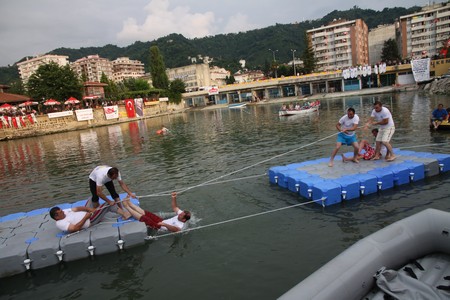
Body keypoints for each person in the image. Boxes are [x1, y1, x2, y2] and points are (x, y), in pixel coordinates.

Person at [122, 192, 191, 232]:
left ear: (184, 219)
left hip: (159, 227)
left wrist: (165, 225)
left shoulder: (180, 225)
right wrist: (174, 198)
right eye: (180, 213)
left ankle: (126, 206)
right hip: (161, 221)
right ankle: (130, 203)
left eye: (181, 215)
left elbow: (176, 230)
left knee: (145, 218)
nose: (179, 214)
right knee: (147, 213)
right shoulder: (182, 214)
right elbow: (175, 207)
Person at [49, 201, 114, 233]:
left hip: (87, 214)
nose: (63, 212)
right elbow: (75, 228)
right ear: (56, 217)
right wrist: (86, 217)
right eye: (61, 212)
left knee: (92, 198)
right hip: (90, 220)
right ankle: (123, 213)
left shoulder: (64, 212)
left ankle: (98, 211)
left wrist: (89, 209)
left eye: (61, 210)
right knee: (107, 204)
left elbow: (77, 208)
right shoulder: (60, 223)